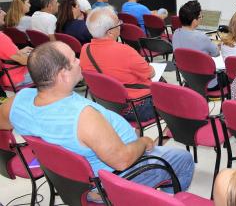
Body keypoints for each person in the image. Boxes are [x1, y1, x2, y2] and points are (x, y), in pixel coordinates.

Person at [0, 41, 194, 200]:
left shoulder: (18, 101)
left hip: (71, 178)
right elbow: (122, 160)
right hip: (110, 180)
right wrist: (143, 142)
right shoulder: (83, 117)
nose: (78, 60)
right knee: (184, 160)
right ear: (63, 75)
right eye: (73, 59)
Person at [80, 6, 157, 123]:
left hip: (106, 105)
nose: (121, 25)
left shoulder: (85, 49)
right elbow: (151, 72)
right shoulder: (125, 51)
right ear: (110, 31)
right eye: (118, 23)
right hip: (136, 108)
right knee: (174, 97)